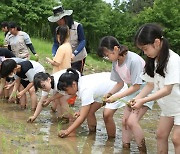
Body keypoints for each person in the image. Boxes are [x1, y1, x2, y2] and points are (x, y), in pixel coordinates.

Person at [97, 36, 154, 153]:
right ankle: (125, 149)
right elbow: (119, 83)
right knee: (124, 122)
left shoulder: (133, 60)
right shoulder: (115, 62)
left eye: (108, 54)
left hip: (146, 91)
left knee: (132, 122)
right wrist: (110, 93)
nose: (107, 58)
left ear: (116, 49)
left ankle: (143, 151)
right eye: (106, 56)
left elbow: (137, 85)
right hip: (133, 91)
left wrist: (116, 97)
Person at [131, 23, 180, 154]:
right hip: (169, 107)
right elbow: (150, 84)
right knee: (160, 135)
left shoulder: (173, 60)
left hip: (179, 107)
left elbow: (167, 90)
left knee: (177, 139)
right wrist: (137, 98)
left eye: (145, 49)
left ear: (157, 42)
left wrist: (143, 101)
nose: (144, 52)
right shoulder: (154, 60)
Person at [57, 68, 128, 138]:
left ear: (74, 84)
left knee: (107, 115)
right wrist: (80, 111)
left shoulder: (85, 90)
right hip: (104, 91)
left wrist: (67, 131)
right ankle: (92, 134)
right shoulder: (80, 83)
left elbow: (82, 117)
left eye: (66, 90)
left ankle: (111, 140)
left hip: (118, 89)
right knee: (89, 112)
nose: (66, 93)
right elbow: (86, 106)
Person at [48, 6, 87, 74]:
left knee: (76, 75)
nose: (58, 22)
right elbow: (55, 43)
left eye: (60, 19)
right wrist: (54, 54)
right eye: (57, 20)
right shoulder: (58, 29)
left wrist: (74, 54)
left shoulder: (77, 26)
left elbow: (82, 41)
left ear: (65, 18)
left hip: (78, 57)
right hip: (65, 59)